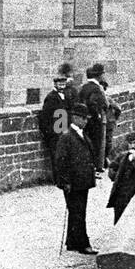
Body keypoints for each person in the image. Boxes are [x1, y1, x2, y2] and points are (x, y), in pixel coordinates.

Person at [53, 102, 98, 255]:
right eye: (84, 118)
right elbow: (61, 161)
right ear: (76, 118)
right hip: (73, 183)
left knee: (77, 211)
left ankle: (72, 242)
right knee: (78, 212)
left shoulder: (80, 133)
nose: (86, 121)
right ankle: (83, 244)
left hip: (82, 181)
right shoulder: (67, 136)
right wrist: (65, 182)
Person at [36, 65, 74, 179]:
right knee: (56, 155)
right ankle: (57, 178)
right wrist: (49, 132)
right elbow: (45, 116)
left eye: (63, 83)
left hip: (64, 130)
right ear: (55, 84)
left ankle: (65, 176)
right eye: (59, 83)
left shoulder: (66, 95)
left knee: (65, 155)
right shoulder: (51, 97)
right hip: (55, 132)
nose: (62, 85)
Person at [78, 63, 114, 173]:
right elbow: (96, 103)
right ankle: (97, 166)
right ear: (99, 76)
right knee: (98, 143)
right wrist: (97, 114)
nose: (104, 76)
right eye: (103, 74)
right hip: (96, 120)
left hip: (86, 119)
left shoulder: (83, 87)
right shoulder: (96, 88)